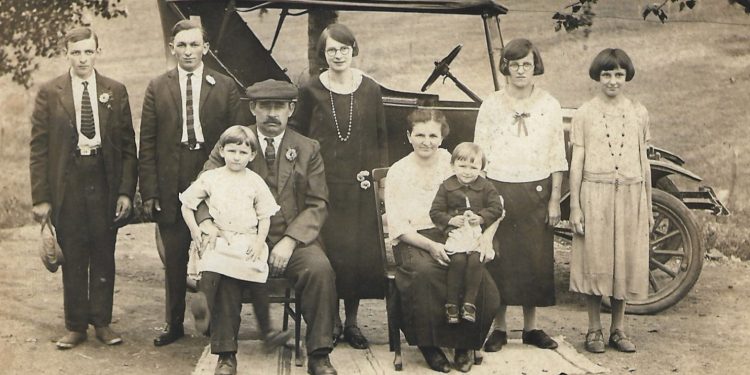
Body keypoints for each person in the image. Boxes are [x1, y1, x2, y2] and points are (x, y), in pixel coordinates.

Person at [196, 79, 338, 375]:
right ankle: (226, 356)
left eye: (279, 107)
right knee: (226, 268)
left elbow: (317, 203)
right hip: (243, 237)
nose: (272, 114)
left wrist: (289, 241)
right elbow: (202, 190)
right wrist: (207, 223)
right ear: (253, 108)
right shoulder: (233, 144)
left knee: (320, 269)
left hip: (293, 239)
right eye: (265, 107)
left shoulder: (307, 148)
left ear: (291, 109)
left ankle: (319, 353)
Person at [29, 26, 138, 349]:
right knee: (73, 252)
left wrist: (124, 192)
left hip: (104, 179)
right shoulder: (51, 93)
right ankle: (76, 325)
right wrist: (42, 199)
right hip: (69, 182)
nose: (82, 58)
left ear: (97, 52)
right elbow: (39, 149)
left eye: (88, 51)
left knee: (104, 253)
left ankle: (102, 322)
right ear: (66, 54)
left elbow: (127, 146)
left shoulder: (114, 91)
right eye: (75, 52)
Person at [138, 19, 241, 347]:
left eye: (194, 45)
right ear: (173, 48)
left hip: (211, 173)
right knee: (175, 253)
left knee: (215, 248)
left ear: (205, 48)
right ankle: (173, 323)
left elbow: (237, 138)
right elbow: (148, 144)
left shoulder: (224, 86)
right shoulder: (158, 87)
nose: (188, 51)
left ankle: (215, 321)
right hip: (172, 176)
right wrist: (151, 191)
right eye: (181, 45)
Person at [290, 23, 388, 349]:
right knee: (327, 256)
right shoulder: (310, 90)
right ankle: (329, 323)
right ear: (323, 54)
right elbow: (298, 136)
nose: (338, 55)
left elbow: (379, 139)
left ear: (353, 49)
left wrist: (377, 181)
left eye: (343, 48)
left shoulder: (371, 89)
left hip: (359, 188)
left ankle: (352, 323)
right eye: (331, 49)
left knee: (355, 258)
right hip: (322, 188)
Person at [385, 109, 500, 373]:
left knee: (482, 281)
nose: (427, 141)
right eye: (420, 135)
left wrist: (485, 239)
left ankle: (464, 344)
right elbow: (399, 227)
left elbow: (495, 204)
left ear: (442, 137)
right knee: (426, 273)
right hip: (413, 240)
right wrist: (430, 246)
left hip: (453, 234)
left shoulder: (455, 162)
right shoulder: (398, 171)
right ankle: (430, 345)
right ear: (409, 136)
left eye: (433, 135)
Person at [473, 38, 568, 351]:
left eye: (526, 64)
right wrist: (484, 194)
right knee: (499, 258)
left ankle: (531, 328)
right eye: (514, 65)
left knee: (534, 258)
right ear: (506, 68)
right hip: (499, 188)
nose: (521, 71)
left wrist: (554, 199)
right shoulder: (491, 104)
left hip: (536, 189)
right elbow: (479, 154)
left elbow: (557, 154)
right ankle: (499, 328)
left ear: (535, 66)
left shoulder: (549, 105)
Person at [179, 125, 292, 374]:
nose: (236, 157)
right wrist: (196, 231)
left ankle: (268, 330)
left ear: (252, 155)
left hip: (247, 240)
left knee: (257, 277)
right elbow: (187, 205)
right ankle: (203, 305)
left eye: (243, 152)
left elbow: (265, 216)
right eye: (231, 151)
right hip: (219, 237)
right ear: (222, 150)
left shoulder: (254, 182)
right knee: (212, 265)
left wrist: (258, 241)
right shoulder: (211, 177)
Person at [568, 48, 653, 354]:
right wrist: (575, 206)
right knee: (596, 261)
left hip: (630, 194)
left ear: (626, 76)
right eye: (607, 74)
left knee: (624, 262)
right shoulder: (584, 113)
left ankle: (618, 329)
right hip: (596, 194)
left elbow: (644, 162)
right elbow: (577, 162)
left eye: (618, 74)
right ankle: (594, 329)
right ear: (598, 76)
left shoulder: (638, 112)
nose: (613, 81)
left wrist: (649, 205)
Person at [429, 142, 504, 325]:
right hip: (457, 234)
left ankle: (469, 303)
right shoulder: (446, 186)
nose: (467, 171)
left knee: (476, 261)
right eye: (462, 166)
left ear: (481, 168)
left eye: (473, 167)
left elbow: (497, 208)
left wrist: (481, 217)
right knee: (458, 261)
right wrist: (450, 220)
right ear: (453, 165)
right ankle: (452, 304)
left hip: (478, 234)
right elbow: (435, 211)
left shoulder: (486, 186)